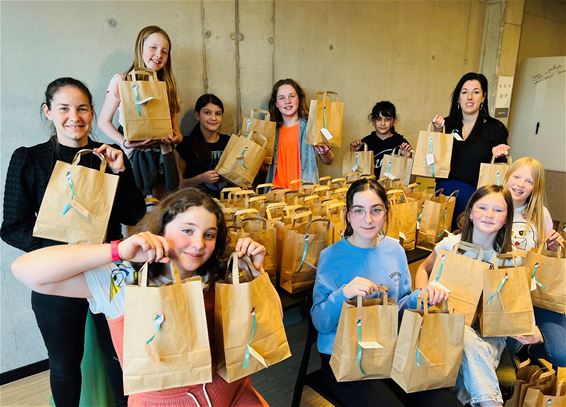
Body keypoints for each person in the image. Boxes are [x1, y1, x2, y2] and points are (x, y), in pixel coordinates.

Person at [11, 188, 271, 406]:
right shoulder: (124, 280)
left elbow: (267, 327)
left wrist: (256, 274)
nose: (199, 244)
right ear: (162, 230)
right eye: (187, 230)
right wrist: (117, 251)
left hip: (235, 395)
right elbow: (25, 270)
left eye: (209, 235)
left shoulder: (222, 273)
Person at [1, 77, 145, 406]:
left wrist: (120, 171)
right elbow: (12, 226)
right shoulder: (29, 159)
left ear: (93, 113)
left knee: (121, 358)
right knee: (65, 365)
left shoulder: (107, 157)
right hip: (60, 278)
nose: (74, 117)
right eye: (64, 108)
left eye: (82, 108)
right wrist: (60, 255)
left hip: (109, 273)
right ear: (48, 112)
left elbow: (134, 214)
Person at [311, 178, 462, 407]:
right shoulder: (331, 257)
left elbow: (400, 306)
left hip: (391, 349)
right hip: (345, 358)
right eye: (359, 211)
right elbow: (320, 322)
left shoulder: (394, 249)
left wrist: (423, 295)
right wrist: (344, 294)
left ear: (386, 212)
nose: (368, 219)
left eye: (376, 210)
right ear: (348, 215)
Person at [415, 185, 542, 406]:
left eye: (498, 210)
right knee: (462, 335)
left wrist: (531, 329)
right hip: (447, 323)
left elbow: (515, 310)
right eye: (482, 207)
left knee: (465, 358)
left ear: (507, 218)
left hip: (488, 334)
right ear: (471, 212)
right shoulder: (451, 245)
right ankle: (490, 402)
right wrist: (423, 292)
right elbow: (423, 270)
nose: (489, 215)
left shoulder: (507, 261)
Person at [98, 25, 181, 199]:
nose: (159, 55)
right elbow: (103, 122)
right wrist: (125, 143)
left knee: (164, 211)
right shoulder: (122, 80)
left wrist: (174, 138)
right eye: (153, 48)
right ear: (140, 47)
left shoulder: (168, 86)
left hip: (164, 159)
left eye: (164, 51)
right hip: (134, 158)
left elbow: (178, 134)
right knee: (138, 212)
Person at [504, 157, 565, 367]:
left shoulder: (541, 214)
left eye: (529, 181)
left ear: (535, 187)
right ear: (507, 176)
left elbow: (545, 256)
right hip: (504, 292)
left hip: (535, 293)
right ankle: (515, 352)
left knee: (562, 353)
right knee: (507, 342)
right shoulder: (493, 205)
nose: (520, 184)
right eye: (517, 176)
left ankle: (531, 346)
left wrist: (552, 247)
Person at [431, 72, 510, 229]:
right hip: (443, 195)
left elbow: (500, 169)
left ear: (483, 97)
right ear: (458, 97)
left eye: (476, 92)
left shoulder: (495, 128)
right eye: (464, 92)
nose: (469, 97)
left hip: (475, 199)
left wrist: (501, 151)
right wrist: (437, 132)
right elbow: (435, 159)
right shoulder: (446, 124)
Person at [266, 78, 334, 188]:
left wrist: (325, 152)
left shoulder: (311, 126)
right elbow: (267, 167)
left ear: (299, 98)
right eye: (281, 98)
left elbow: (329, 160)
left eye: (292, 96)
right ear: (276, 104)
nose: (287, 101)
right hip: (275, 192)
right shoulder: (271, 131)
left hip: (303, 193)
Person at [177, 94, 230, 197]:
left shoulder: (228, 141)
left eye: (218, 114)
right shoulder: (186, 144)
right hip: (197, 202)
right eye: (207, 113)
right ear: (197, 116)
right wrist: (201, 178)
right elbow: (179, 185)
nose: (213, 118)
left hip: (229, 203)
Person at [350, 100, 412, 172]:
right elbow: (355, 172)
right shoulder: (365, 142)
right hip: (368, 183)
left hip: (392, 183)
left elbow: (408, 176)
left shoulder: (401, 143)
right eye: (379, 119)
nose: (383, 123)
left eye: (387, 119)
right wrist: (354, 152)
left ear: (393, 121)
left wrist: (407, 157)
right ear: (373, 121)